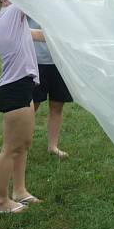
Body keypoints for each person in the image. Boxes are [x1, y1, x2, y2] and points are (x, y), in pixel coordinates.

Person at [0, 0, 44, 213]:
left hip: (22, 86)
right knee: (10, 148)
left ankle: (20, 191)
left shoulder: (8, 21)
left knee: (23, 144)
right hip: (15, 88)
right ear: (4, 0)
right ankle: (1, 201)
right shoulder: (8, 15)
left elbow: (35, 35)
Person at [27, 17, 73, 159]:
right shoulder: (29, 0)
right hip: (36, 62)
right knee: (30, 107)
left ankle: (52, 146)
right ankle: (19, 147)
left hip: (59, 61)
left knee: (57, 105)